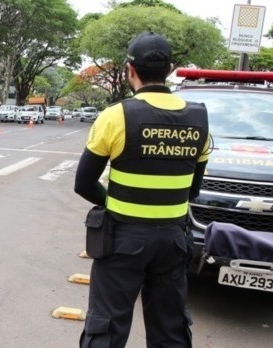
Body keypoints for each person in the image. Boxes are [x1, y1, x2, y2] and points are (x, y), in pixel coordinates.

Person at [74, 31, 211, 348]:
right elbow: (193, 191)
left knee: (107, 327)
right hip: (173, 241)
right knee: (170, 330)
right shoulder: (200, 119)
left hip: (122, 239)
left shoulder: (116, 116)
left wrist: (117, 201)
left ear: (129, 70)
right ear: (170, 69)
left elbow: (83, 183)